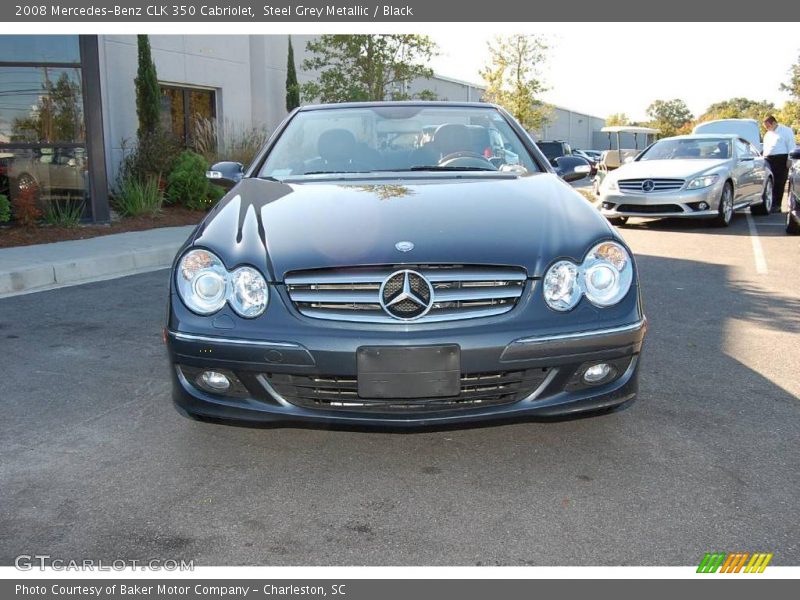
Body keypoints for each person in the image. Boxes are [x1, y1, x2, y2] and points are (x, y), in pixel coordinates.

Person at [762, 115, 797, 213]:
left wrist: (790, 159)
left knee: (779, 182)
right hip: (768, 159)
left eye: (768, 126)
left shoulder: (786, 131)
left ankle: (777, 205)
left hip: (781, 159)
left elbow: (791, 145)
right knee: (769, 183)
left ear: (774, 123)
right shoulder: (768, 134)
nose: (767, 129)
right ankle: (769, 204)